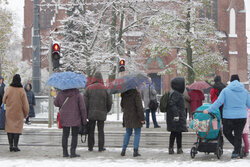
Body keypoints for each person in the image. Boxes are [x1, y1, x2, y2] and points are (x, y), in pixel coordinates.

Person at [203, 74, 250, 158]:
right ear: (239, 81)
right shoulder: (245, 91)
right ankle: (237, 151)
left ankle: (237, 149)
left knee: (226, 132)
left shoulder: (225, 91)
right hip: (241, 117)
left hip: (228, 117)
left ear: (230, 81)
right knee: (238, 135)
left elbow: (218, 102)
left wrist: (208, 110)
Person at [54, 88, 87, 158]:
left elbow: (56, 103)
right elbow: (82, 108)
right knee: (74, 135)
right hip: (75, 117)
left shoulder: (60, 93)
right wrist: (84, 120)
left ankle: (65, 152)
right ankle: (73, 152)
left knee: (65, 135)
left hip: (64, 117)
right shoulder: (78, 94)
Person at [84, 71, 112, 152]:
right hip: (101, 113)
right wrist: (106, 110)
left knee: (91, 130)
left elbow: (85, 103)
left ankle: (90, 146)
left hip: (91, 113)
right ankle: (100, 147)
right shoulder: (105, 89)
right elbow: (109, 102)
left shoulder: (88, 88)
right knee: (101, 131)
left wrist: (86, 113)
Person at [3, 74, 29, 152]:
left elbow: (4, 100)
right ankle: (15, 146)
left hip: (9, 112)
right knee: (17, 129)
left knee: (10, 129)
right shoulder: (21, 90)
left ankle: (11, 146)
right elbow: (25, 103)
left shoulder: (9, 89)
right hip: (18, 113)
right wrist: (26, 113)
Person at [120, 89, 145, 157]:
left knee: (128, 132)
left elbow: (122, 105)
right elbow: (139, 107)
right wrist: (142, 118)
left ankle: (123, 150)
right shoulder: (136, 93)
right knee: (137, 133)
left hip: (127, 116)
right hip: (136, 116)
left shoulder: (124, 93)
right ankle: (135, 151)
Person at [167, 77, 187, 154]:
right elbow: (172, 104)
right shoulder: (176, 94)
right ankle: (173, 148)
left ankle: (178, 148)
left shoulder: (175, 92)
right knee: (175, 133)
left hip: (177, 116)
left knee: (177, 133)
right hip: (176, 117)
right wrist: (176, 115)